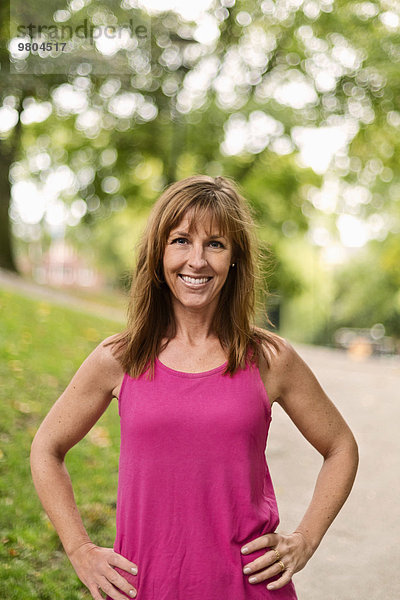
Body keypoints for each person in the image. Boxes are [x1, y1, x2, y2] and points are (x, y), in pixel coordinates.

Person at [30, 174, 359, 600]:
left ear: (234, 259)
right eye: (181, 240)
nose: (197, 260)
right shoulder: (121, 358)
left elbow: (341, 447)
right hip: (145, 589)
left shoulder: (268, 358)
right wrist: (79, 549)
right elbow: (46, 448)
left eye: (216, 244)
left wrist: (305, 539)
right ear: (158, 254)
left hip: (248, 589)